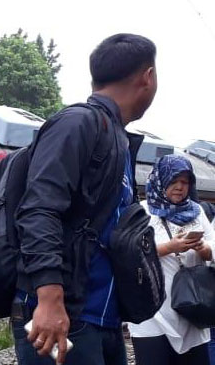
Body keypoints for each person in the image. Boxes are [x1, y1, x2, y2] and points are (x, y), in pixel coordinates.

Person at [13, 34, 158, 365]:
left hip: (100, 317)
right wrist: (48, 297)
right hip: (63, 316)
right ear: (147, 77)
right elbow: (39, 208)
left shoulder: (117, 138)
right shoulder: (79, 123)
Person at [128, 155, 213, 365]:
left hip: (193, 310)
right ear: (160, 181)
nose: (179, 187)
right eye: (173, 181)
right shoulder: (142, 211)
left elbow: (213, 246)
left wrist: (205, 250)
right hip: (153, 315)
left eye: (185, 182)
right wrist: (169, 248)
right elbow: (128, 253)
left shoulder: (197, 212)